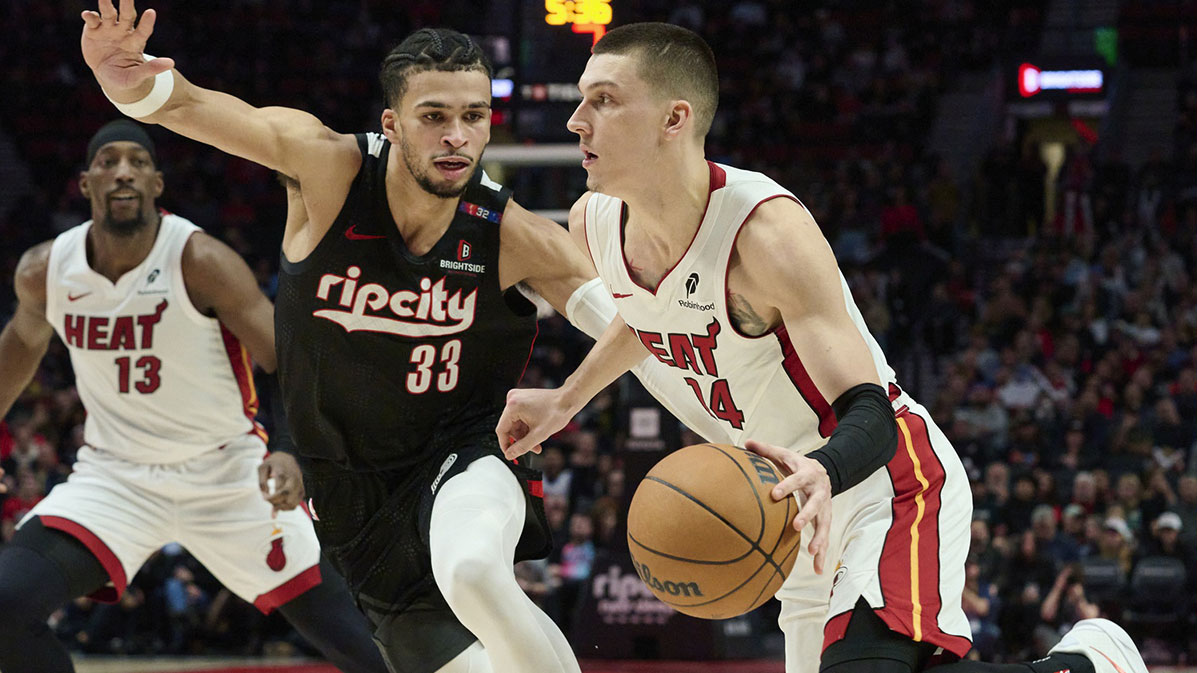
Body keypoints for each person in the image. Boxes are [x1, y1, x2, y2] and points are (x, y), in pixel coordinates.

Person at [497, 22, 1149, 673]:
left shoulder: (766, 234)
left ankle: (1091, 661)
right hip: (788, 505)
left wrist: (825, 471)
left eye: (604, 100)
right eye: (582, 99)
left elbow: (870, 413)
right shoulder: (596, 220)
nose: (578, 120)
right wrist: (567, 398)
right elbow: (646, 315)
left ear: (674, 118)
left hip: (881, 482)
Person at [78, 3, 713, 671]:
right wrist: (128, 80)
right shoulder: (327, 171)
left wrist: (711, 427)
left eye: (473, 116)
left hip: (465, 455)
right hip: (357, 506)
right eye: (434, 116)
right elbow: (198, 108)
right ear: (392, 124)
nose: (457, 137)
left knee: (473, 570)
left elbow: (647, 324)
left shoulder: (514, 235)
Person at [0, 120, 388, 673]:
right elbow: (15, 353)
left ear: (157, 183)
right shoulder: (46, 271)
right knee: (7, 605)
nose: (124, 171)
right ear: (86, 184)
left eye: (137, 161)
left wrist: (288, 448)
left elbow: (290, 359)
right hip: (115, 480)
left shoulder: (200, 261)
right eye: (109, 162)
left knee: (362, 645)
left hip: (229, 477)